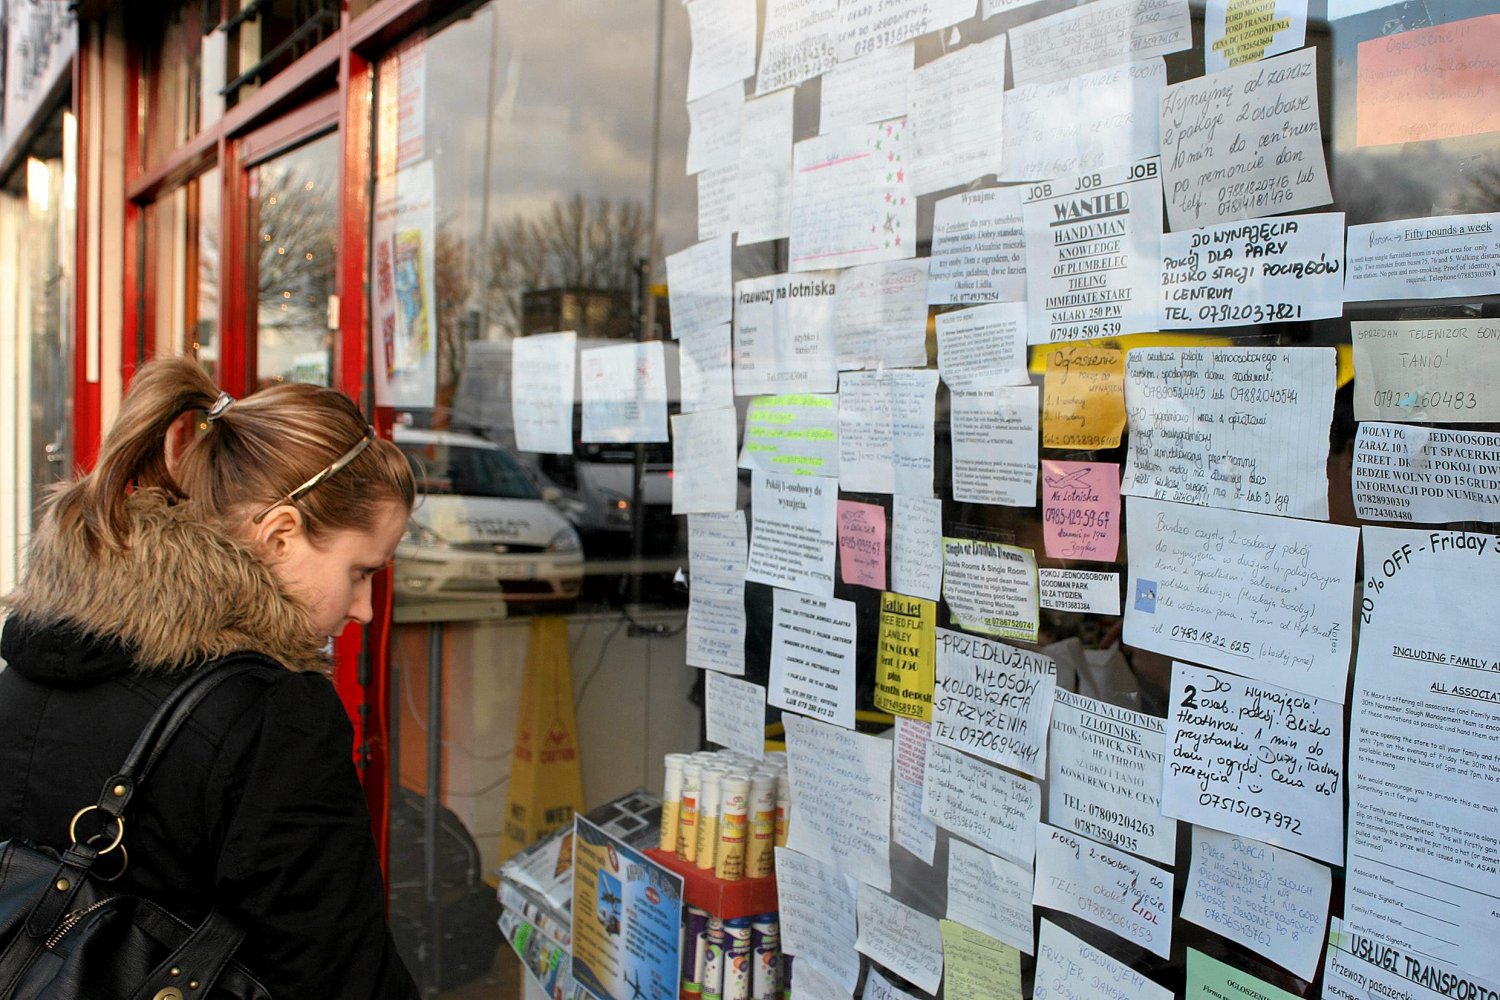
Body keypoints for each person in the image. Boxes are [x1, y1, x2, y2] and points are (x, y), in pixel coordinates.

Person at [0, 358, 422, 997]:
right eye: (362, 572)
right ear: (280, 535)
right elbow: (337, 973)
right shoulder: (272, 714)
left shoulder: (33, 662)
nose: (363, 608)